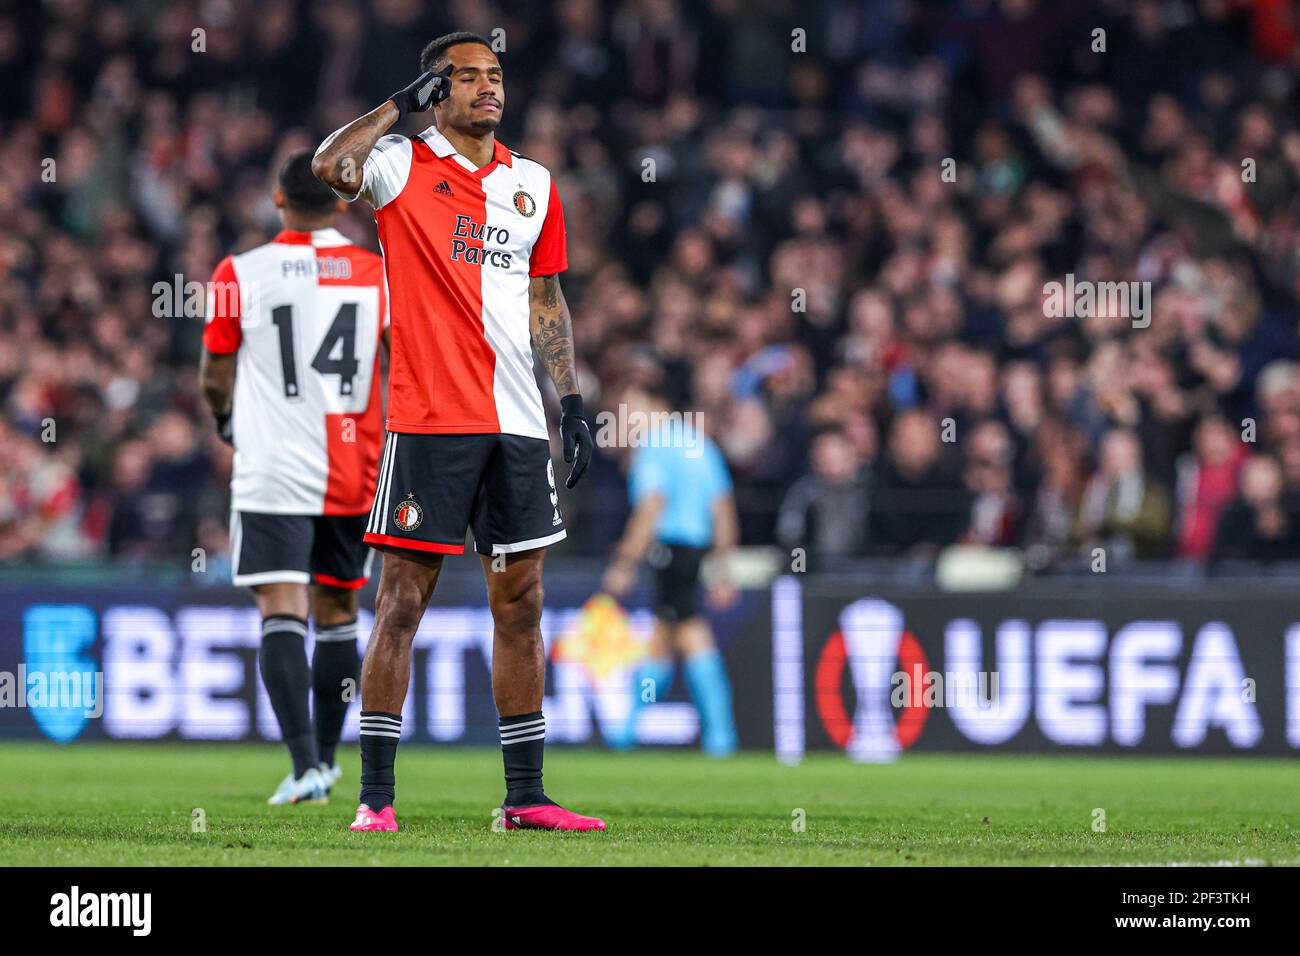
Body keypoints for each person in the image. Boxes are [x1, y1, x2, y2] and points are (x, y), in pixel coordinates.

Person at [312, 32, 602, 832]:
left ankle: (526, 798)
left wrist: (570, 402)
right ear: (439, 88)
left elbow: (546, 299)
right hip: (429, 422)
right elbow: (328, 168)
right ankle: (375, 799)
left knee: (523, 603)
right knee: (401, 602)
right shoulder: (400, 161)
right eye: (467, 76)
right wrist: (398, 107)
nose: (487, 87)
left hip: (515, 425)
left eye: (495, 75)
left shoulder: (533, 184)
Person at [199, 150, 389, 804]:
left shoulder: (238, 273)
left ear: (277, 202)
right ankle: (331, 761)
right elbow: (403, 360)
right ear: (341, 202)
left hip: (273, 467)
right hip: (352, 469)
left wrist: (226, 419)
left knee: (282, 609)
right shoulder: (377, 275)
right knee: (339, 610)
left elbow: (215, 373)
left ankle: (305, 763)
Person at [601, 386, 740, 756]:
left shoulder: (654, 448)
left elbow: (651, 507)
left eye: (630, 410)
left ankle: (720, 738)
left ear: (653, 406)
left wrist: (624, 564)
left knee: (689, 633)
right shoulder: (699, 443)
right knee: (664, 639)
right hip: (694, 553)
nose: (624, 420)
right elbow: (723, 507)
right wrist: (724, 568)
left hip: (668, 552)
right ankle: (627, 731)